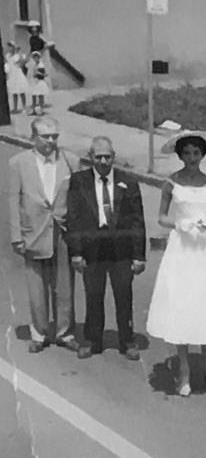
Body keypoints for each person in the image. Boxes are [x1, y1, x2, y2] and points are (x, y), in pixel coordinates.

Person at [148, 131, 206, 394]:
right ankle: (185, 372)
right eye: (186, 153)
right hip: (184, 249)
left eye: (196, 153)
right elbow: (161, 217)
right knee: (183, 305)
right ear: (180, 156)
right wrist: (182, 223)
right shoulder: (171, 183)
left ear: (202, 155)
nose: (191, 158)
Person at [58, 138, 139, 360]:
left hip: (120, 250)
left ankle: (127, 341)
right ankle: (93, 340)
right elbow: (73, 218)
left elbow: (137, 221)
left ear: (114, 156)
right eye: (98, 157)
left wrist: (139, 255)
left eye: (107, 156)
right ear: (90, 157)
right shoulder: (79, 181)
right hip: (92, 250)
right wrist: (76, 252)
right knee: (93, 295)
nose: (103, 161)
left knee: (124, 295)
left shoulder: (128, 181)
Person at [8, 119, 72, 353]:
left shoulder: (69, 160)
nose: (51, 141)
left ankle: (65, 332)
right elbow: (13, 199)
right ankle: (39, 333)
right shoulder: (18, 163)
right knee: (36, 285)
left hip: (62, 230)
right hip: (33, 232)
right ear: (33, 137)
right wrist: (16, 235)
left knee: (64, 285)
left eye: (55, 136)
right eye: (46, 136)